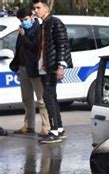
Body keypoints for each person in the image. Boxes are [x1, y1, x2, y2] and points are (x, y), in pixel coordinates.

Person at [33, 0, 72, 144]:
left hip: (52, 66)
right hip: (44, 67)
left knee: (48, 97)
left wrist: (61, 65)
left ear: (46, 8)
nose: (36, 10)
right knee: (51, 97)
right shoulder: (43, 25)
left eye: (38, 7)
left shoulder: (55, 22)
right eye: (34, 8)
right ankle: (59, 129)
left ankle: (54, 130)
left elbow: (62, 44)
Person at [10, 7, 50, 137]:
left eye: (26, 19)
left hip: (35, 69)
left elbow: (34, 47)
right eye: (21, 20)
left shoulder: (38, 29)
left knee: (41, 99)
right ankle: (29, 125)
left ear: (32, 17)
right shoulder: (23, 30)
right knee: (27, 99)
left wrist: (23, 35)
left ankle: (46, 126)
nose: (24, 22)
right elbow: (19, 48)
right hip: (23, 68)